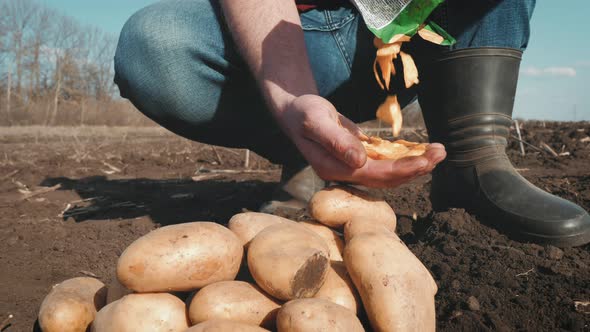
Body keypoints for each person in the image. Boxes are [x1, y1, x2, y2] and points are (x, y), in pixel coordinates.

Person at [113, 0, 590, 247]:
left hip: (432, 38)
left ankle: (474, 159)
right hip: (312, 31)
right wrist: (295, 99)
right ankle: (307, 146)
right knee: (156, 46)